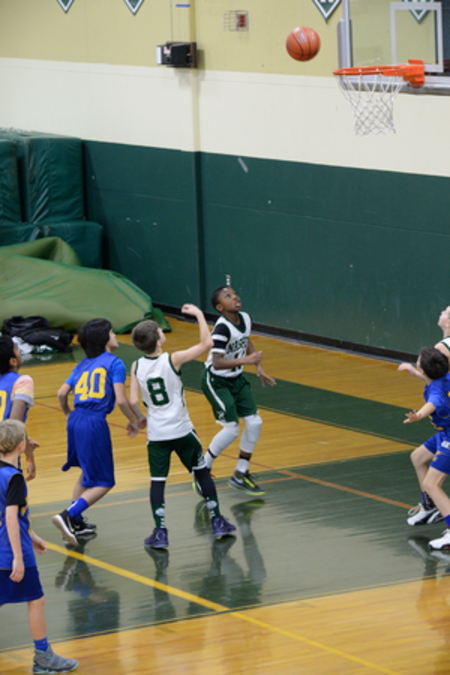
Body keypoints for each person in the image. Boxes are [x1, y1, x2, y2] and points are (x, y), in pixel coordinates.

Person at [129, 304, 236, 549]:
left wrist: (140, 418)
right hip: (182, 430)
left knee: (158, 481)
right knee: (201, 472)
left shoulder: (136, 366)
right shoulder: (172, 359)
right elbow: (207, 344)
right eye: (160, 331)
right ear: (158, 340)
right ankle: (217, 520)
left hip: (157, 434)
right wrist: (199, 315)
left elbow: (133, 400)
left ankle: (160, 532)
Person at [52, 318, 144, 547]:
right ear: (104, 339)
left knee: (87, 472)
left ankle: (76, 522)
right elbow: (121, 400)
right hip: (93, 422)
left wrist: (68, 413)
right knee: (104, 481)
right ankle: (68, 515)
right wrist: (134, 421)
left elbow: (61, 393)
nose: (115, 336)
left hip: (76, 419)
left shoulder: (82, 365)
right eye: (112, 332)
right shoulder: (115, 363)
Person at [0, 419, 78, 674]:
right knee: (36, 599)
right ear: (21, 445)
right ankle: (43, 657)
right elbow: (10, 517)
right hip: (10, 550)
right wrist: (18, 557)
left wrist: (32, 534)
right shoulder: (13, 478)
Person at [198, 286, 276, 496]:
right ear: (220, 307)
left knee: (255, 422)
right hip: (216, 381)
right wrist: (246, 361)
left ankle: (240, 473)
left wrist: (258, 366)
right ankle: (202, 470)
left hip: (236, 378)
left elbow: (245, 339)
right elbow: (216, 362)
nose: (235, 297)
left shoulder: (245, 318)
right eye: (228, 296)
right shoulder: (222, 329)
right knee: (231, 429)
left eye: (234, 294)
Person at [399, 307, 450, 526]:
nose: (441, 312)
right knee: (418, 457)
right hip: (444, 432)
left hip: (449, 435)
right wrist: (413, 372)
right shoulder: (441, 379)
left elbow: (433, 403)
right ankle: (430, 507)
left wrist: (418, 415)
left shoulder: (436, 391)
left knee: (432, 483)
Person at [0, 335, 38, 481]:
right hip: (6, 455)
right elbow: (14, 424)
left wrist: (25, 440)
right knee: (13, 494)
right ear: (13, 361)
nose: (20, 350)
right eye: (16, 349)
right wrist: (29, 455)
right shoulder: (22, 381)